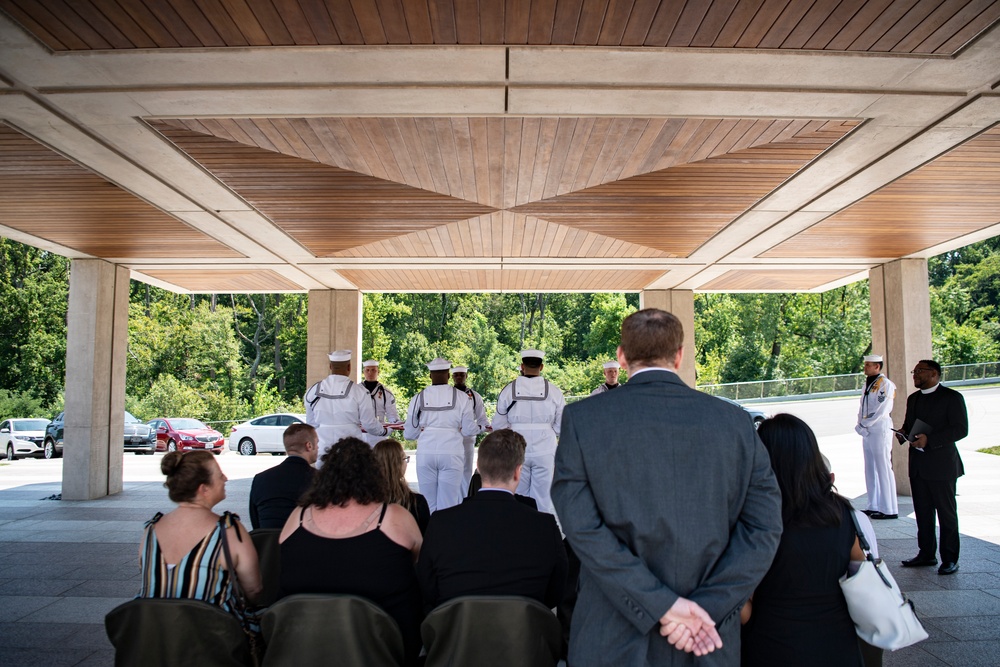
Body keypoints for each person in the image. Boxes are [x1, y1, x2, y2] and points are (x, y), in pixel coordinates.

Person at [551, 308, 782, 665]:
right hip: (706, 638)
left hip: (613, 636)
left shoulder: (583, 420)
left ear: (621, 356)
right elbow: (764, 528)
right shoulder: (735, 422)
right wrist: (705, 608)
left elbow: (581, 528)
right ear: (679, 355)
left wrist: (665, 607)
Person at [278, 437, 423, 664]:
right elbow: (419, 566)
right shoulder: (394, 517)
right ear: (374, 475)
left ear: (325, 476)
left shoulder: (298, 516)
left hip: (303, 646)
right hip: (381, 649)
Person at [741, 414, 865, 667]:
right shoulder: (843, 513)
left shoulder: (753, 518)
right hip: (838, 644)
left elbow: (740, 599)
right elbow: (860, 573)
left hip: (771, 643)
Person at [417, 429, 567, 612]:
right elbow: (556, 593)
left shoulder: (441, 522)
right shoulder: (545, 526)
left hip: (456, 636)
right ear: (518, 472)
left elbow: (427, 587)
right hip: (522, 635)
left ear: (478, 467)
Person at [139, 451, 262, 615]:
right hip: (211, 634)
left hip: (152, 633)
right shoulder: (228, 530)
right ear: (203, 489)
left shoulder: (151, 529)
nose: (225, 478)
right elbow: (254, 589)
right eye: (219, 475)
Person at [897, 359, 968, 575]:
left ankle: (950, 559)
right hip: (918, 466)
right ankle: (926, 553)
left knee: (946, 515)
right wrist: (903, 433)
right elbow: (910, 425)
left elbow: (960, 429)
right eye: (914, 371)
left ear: (935, 374)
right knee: (923, 512)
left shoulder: (952, 398)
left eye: (920, 371)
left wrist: (930, 439)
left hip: (942, 466)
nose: (915, 374)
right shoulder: (913, 398)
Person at [492, 349, 566, 515]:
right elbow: (562, 425)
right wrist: (547, 430)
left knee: (519, 495)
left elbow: (498, 424)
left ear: (521, 366)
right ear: (542, 367)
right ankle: (541, 535)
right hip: (545, 449)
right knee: (543, 496)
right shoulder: (554, 391)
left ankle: (521, 533)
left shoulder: (508, 390)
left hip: (516, 448)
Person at [404, 358, 481, 513]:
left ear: (430, 376)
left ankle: (430, 535)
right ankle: (448, 535)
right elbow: (468, 430)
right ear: (448, 375)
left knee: (428, 502)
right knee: (450, 503)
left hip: (426, 452)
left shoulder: (418, 398)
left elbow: (410, 434)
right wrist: (479, 427)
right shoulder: (462, 398)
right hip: (452, 452)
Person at [304, 349, 388, 464]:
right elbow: (369, 424)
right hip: (351, 449)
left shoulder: (312, 391)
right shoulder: (359, 391)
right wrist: (384, 431)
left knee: (324, 480)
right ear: (349, 367)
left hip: (323, 449)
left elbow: (311, 424)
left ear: (330, 366)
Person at [248, 423, 318, 529]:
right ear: (309, 446)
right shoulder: (319, 479)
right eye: (317, 443)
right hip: (305, 543)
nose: (318, 447)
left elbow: (256, 524)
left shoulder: (260, 479)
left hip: (268, 543)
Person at [855, 353, 898, 519]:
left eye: (868, 365)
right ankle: (873, 505)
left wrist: (865, 424)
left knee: (883, 467)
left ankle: (889, 508)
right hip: (866, 428)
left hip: (879, 427)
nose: (865, 367)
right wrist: (860, 423)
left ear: (877, 367)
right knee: (870, 466)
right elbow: (862, 406)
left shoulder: (885, 384)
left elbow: (881, 409)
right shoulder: (867, 384)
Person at [374, 438, 430, 534]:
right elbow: (426, 539)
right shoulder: (416, 502)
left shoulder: (364, 501)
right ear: (398, 465)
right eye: (405, 459)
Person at [452, 365, 490, 490]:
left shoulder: (475, 396)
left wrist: (485, 428)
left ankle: (464, 501)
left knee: (466, 471)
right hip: (450, 437)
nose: (459, 377)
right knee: (451, 470)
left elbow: (482, 418)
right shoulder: (447, 394)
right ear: (452, 377)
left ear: (466, 376)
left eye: (461, 375)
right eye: (456, 375)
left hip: (467, 438)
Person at [361, 359, 401, 446]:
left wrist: (387, 431)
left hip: (379, 437)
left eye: (373, 370)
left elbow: (393, 417)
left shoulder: (386, 393)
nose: (370, 373)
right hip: (361, 436)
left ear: (378, 372)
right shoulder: (356, 391)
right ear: (363, 372)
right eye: (367, 370)